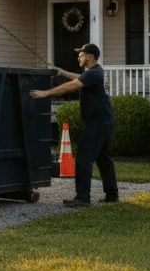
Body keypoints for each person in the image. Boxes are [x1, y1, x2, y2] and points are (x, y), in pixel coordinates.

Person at [30, 43, 119, 208]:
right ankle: (112, 194)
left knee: (84, 159)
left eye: (81, 54)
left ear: (90, 56)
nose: (78, 57)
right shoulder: (93, 72)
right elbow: (78, 78)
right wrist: (63, 72)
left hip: (97, 122)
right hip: (103, 120)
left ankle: (82, 198)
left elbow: (72, 86)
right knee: (104, 159)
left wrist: (46, 93)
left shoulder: (94, 73)